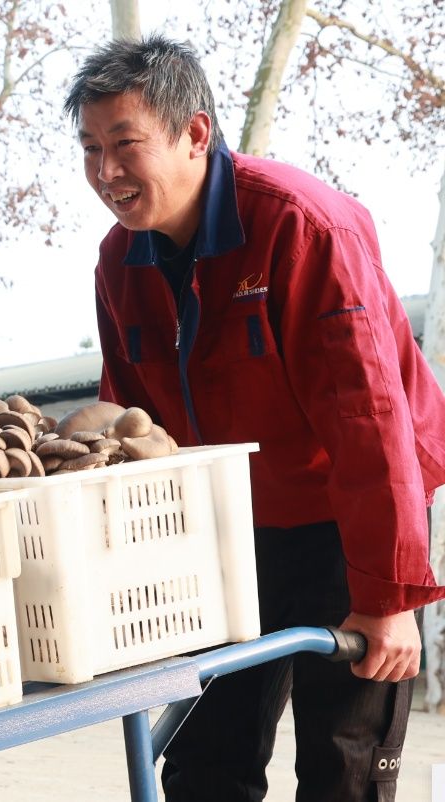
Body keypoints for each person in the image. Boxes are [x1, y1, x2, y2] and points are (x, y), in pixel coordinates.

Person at [63, 35, 445, 801]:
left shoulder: (302, 227)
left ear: (195, 134)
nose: (106, 172)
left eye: (125, 144)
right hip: (233, 523)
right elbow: (136, 431)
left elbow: (371, 418)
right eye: (91, 148)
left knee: (345, 765)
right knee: (205, 759)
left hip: (349, 510)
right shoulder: (118, 263)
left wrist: (388, 601)